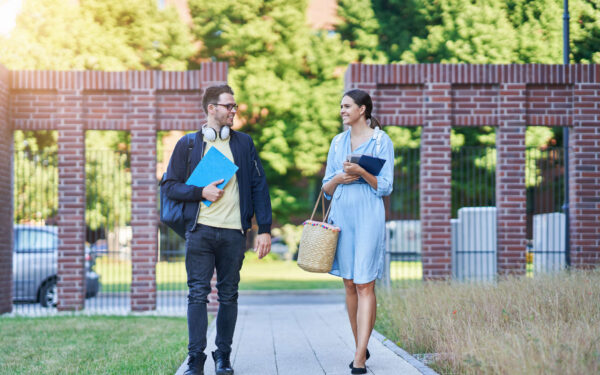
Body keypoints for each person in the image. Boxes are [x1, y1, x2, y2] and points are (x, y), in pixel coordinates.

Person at [162, 85, 272, 375]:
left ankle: (223, 357)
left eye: (235, 106)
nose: (234, 110)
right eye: (229, 106)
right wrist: (200, 192)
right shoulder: (188, 144)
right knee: (197, 294)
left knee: (229, 296)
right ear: (212, 109)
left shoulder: (244, 143)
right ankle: (195, 359)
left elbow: (259, 185)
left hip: (234, 234)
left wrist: (265, 228)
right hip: (200, 232)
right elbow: (170, 186)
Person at [322, 89, 394, 375]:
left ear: (362, 109)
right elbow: (326, 189)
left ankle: (359, 359)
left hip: (368, 213)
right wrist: (340, 177)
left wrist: (362, 172)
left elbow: (386, 186)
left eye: (347, 106)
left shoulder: (381, 140)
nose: (342, 110)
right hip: (342, 214)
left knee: (366, 284)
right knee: (350, 283)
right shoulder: (337, 142)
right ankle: (360, 345)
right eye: (341, 106)